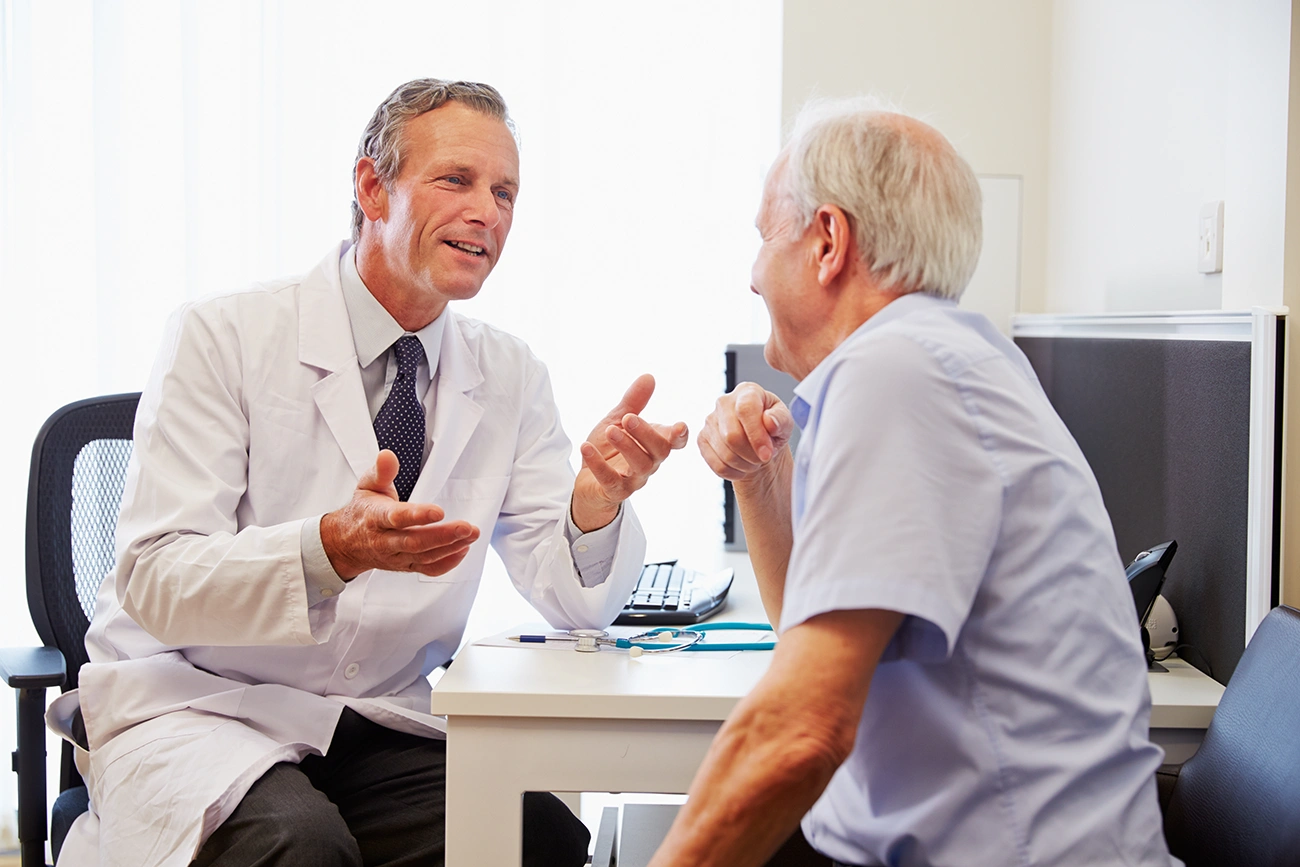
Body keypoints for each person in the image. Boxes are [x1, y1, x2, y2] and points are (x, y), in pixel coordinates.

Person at [50, 79, 687, 867]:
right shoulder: (224, 335)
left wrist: (593, 507)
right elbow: (155, 578)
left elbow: (570, 596)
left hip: (376, 717)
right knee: (301, 848)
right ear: (370, 187)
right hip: (200, 706)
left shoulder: (510, 373)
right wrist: (328, 550)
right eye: (456, 179)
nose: (488, 211)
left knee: (542, 842)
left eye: (506, 192)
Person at [651, 99, 1178, 867]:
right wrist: (759, 478)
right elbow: (809, 624)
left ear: (828, 242)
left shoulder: (895, 371)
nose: (752, 273)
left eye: (764, 237)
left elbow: (804, 727)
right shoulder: (939, 356)